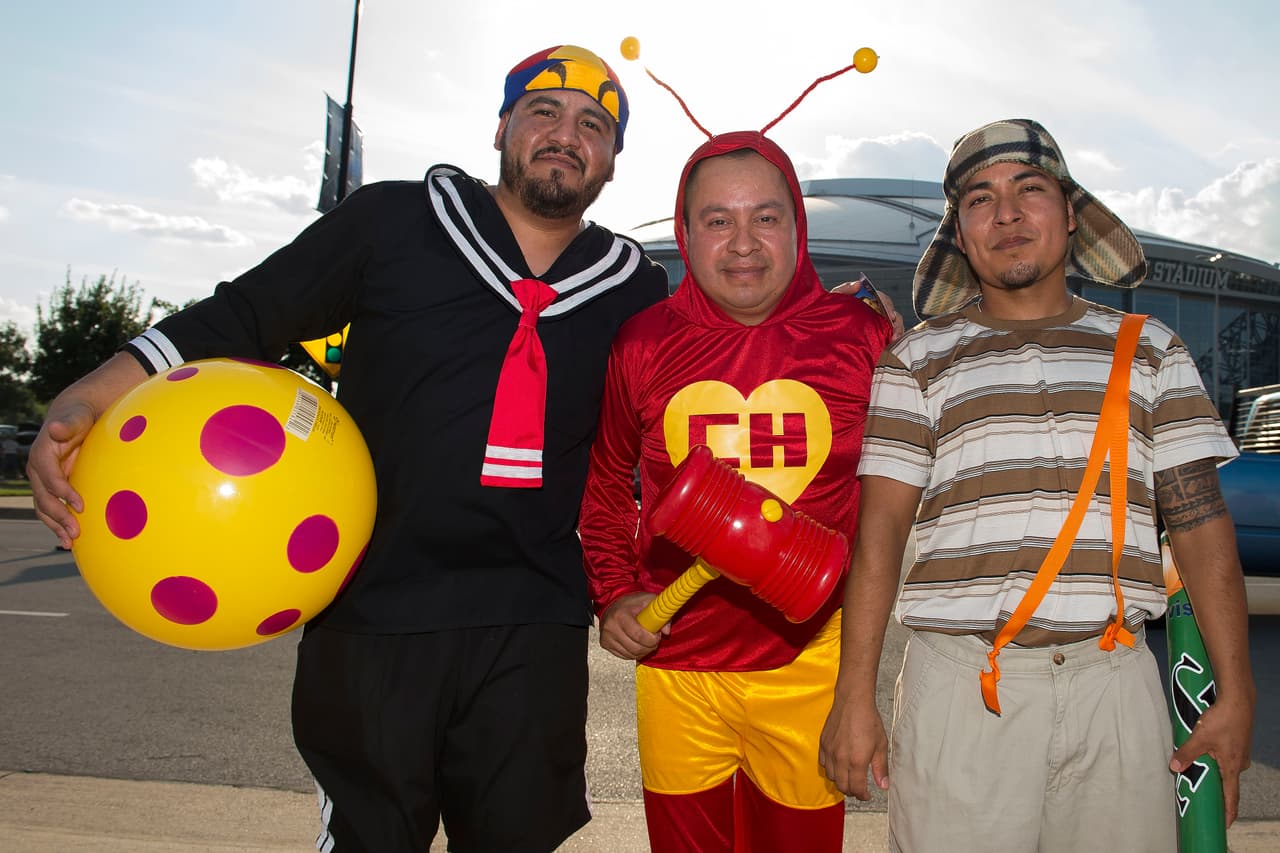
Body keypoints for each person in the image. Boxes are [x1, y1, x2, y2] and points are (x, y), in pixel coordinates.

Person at [27, 44, 668, 852]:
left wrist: (852, 334)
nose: (565, 134)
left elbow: (676, 424)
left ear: (612, 155)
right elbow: (241, 315)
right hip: (373, 608)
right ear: (503, 125)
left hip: (531, 619)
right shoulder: (394, 221)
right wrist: (89, 394)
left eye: (593, 124)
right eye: (543, 111)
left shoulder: (636, 288)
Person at [818, 118, 1256, 852]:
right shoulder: (917, 362)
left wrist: (1237, 693)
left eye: (1030, 190)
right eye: (980, 200)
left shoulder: (1151, 351)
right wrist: (853, 696)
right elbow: (880, 536)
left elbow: (1201, 527)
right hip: (961, 690)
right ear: (960, 233)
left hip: (1115, 684)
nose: (1008, 214)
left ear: (1070, 212)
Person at [578, 130, 894, 852]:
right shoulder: (642, 342)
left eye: (766, 216)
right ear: (685, 234)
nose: (743, 242)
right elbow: (603, 486)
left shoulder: (863, 338)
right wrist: (615, 593)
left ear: (799, 226)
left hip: (810, 662)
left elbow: (900, 499)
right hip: (676, 669)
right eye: (718, 219)